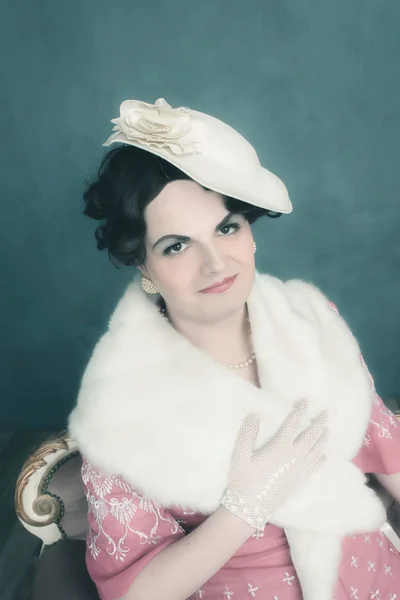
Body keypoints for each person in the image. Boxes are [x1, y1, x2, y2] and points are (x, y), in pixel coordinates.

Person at [69, 98, 400, 600]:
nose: (216, 264)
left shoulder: (311, 321)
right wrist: (241, 509)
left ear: (249, 234)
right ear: (145, 269)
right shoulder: (119, 403)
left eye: (226, 228)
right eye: (176, 246)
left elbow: (387, 449)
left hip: (378, 578)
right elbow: (135, 592)